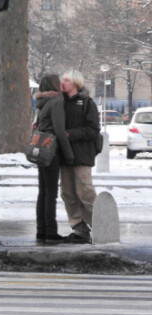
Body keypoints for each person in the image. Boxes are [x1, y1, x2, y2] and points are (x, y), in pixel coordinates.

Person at [33, 74, 74, 246]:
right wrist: (69, 154)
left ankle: (41, 231)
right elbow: (59, 129)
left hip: (40, 149)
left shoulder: (41, 103)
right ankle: (51, 232)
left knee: (43, 192)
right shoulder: (56, 102)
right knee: (51, 192)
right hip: (51, 150)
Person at [61, 69, 100, 243]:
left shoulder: (87, 103)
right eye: (63, 80)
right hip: (64, 155)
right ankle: (79, 229)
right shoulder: (59, 102)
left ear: (76, 83)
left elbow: (93, 130)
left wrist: (71, 134)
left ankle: (100, 225)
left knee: (85, 191)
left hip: (82, 155)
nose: (63, 83)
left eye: (67, 80)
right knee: (68, 193)